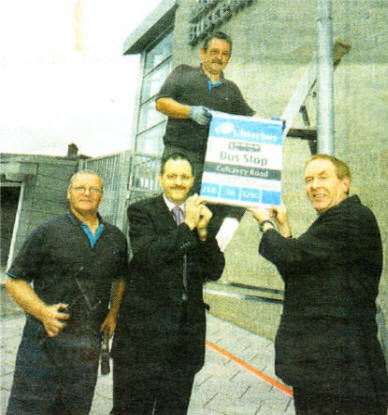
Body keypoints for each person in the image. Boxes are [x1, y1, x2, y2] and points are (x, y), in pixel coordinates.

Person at [249, 154, 388, 414]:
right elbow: (298, 271)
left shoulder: (351, 217)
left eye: (323, 177)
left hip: (342, 370)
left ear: (345, 183)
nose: (314, 185)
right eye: (308, 180)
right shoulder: (331, 222)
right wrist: (284, 228)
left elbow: (294, 255)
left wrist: (265, 224)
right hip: (324, 368)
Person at [5, 170, 128, 415]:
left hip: (85, 348)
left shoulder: (115, 238)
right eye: (80, 188)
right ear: (68, 193)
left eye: (94, 189)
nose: (86, 193)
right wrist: (42, 311)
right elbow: (14, 280)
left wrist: (113, 313)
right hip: (43, 343)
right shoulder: (47, 232)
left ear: (101, 196)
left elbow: (120, 278)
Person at [111, 152, 225, 415]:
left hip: (185, 337)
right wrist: (187, 225)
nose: (178, 182)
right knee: (131, 409)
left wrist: (204, 232)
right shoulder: (141, 211)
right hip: (143, 337)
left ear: (193, 180)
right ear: (160, 179)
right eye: (172, 176)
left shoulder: (203, 216)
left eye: (184, 177)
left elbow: (215, 270)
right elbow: (150, 256)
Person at [156, 31, 256, 194]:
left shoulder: (231, 89)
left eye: (225, 54)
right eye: (214, 52)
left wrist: (273, 126)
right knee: (177, 206)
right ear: (203, 53)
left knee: (206, 212)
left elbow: (249, 116)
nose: (219, 58)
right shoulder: (183, 72)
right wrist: (190, 111)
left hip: (213, 163)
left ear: (228, 59)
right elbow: (161, 103)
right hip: (179, 155)